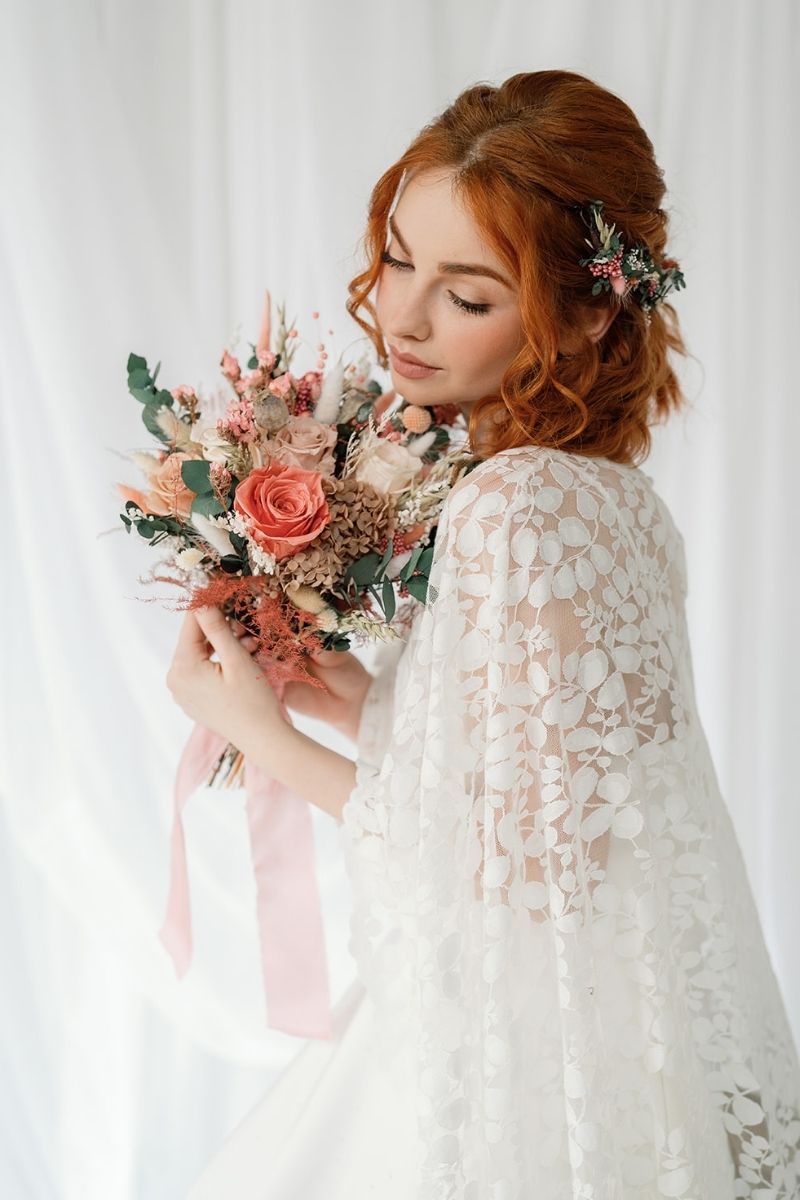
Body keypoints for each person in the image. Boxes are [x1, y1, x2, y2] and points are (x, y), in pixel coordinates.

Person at [169, 70, 800, 1198]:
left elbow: (492, 875)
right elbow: (564, 787)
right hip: (620, 1045)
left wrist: (254, 732)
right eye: (399, 259)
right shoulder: (618, 505)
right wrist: (364, 699)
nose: (403, 318)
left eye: (466, 295)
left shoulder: (507, 504)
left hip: (518, 1050)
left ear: (590, 307)